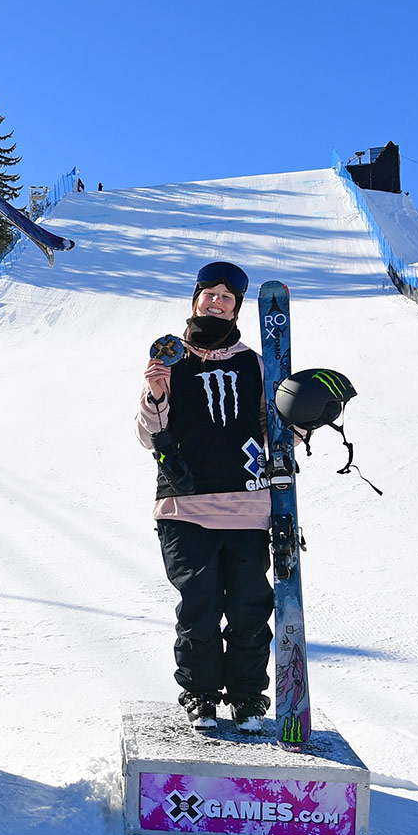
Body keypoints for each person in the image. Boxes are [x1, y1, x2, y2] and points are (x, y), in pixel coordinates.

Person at [138, 261, 273, 734]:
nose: (216, 302)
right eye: (209, 294)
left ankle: (248, 699)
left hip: (249, 506)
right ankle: (200, 695)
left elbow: (269, 428)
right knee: (199, 606)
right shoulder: (170, 360)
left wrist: (298, 422)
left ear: (236, 307)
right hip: (185, 507)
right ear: (195, 299)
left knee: (249, 607)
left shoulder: (254, 363)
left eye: (226, 297)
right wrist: (156, 394)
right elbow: (149, 435)